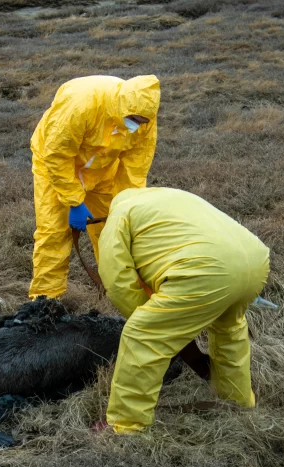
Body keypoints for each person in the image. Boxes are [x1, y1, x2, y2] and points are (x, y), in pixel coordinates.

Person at [97, 187, 271, 434]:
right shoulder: (174, 197)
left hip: (206, 269)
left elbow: (117, 281)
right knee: (229, 329)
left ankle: (126, 426)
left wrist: (150, 317)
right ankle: (238, 401)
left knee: (143, 336)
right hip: (255, 260)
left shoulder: (120, 214)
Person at [28, 75, 161, 300]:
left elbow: (135, 168)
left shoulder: (145, 121)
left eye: (141, 121)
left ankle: (123, 294)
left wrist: (126, 206)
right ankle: (45, 302)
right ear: (121, 106)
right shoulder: (81, 107)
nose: (136, 125)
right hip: (56, 166)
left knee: (114, 232)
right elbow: (56, 155)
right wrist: (74, 201)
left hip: (102, 169)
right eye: (132, 119)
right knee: (54, 232)